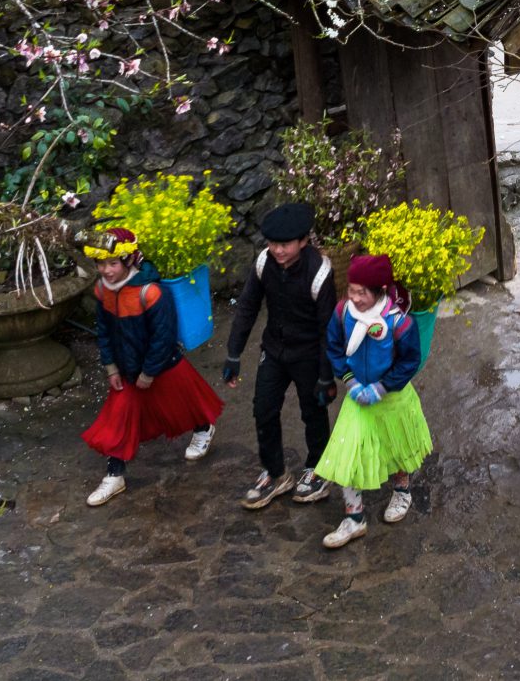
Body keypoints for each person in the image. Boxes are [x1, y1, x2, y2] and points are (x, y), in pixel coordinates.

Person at [79, 226, 224, 507]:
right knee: (118, 419)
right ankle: (114, 474)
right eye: (101, 264)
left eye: (112, 263)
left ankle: (204, 428)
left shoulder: (152, 292)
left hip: (163, 365)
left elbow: (164, 337)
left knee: (182, 406)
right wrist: (111, 367)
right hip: (126, 370)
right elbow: (104, 332)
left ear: (129, 260)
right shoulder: (102, 291)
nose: (106, 270)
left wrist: (149, 372)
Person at [220, 200, 341, 509]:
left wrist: (326, 376)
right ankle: (276, 473)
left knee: (313, 411)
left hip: (308, 354)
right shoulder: (264, 263)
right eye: (273, 243)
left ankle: (318, 469)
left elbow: (329, 328)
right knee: (263, 409)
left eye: (285, 244)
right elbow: (247, 307)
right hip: (274, 349)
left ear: (303, 241)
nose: (277, 250)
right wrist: (234, 354)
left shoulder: (320, 272)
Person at [315, 253, 431, 548]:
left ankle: (402, 491)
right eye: (351, 290)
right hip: (358, 397)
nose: (354, 297)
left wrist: (382, 387)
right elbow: (335, 347)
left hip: (391, 397)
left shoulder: (398, 323)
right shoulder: (342, 313)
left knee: (397, 448)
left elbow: (410, 361)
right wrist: (350, 381)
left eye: (361, 292)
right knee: (347, 454)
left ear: (378, 291)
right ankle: (354, 519)